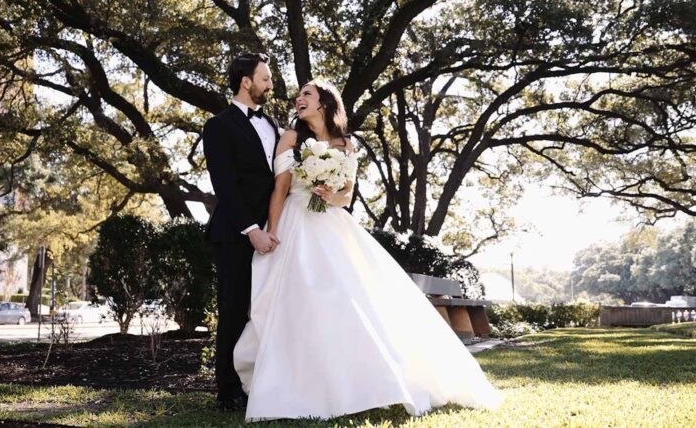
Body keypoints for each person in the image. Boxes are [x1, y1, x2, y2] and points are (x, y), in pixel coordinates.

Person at [232, 80, 503, 422]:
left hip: (331, 225)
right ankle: (299, 384)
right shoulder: (290, 138)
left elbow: (347, 196)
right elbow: (279, 189)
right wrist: (271, 231)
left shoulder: (346, 144)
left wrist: (331, 195)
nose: (299, 99)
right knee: (297, 303)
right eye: (299, 95)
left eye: (307, 95)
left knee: (347, 301)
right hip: (295, 224)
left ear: (326, 104)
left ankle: (362, 383)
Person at [202, 53, 282, 411]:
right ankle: (229, 392)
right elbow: (225, 184)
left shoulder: (275, 125)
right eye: (264, 78)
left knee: (268, 309)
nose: (270, 85)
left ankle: (262, 381)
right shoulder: (218, 125)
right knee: (234, 311)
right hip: (235, 233)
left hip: (274, 232)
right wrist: (251, 230)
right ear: (246, 81)